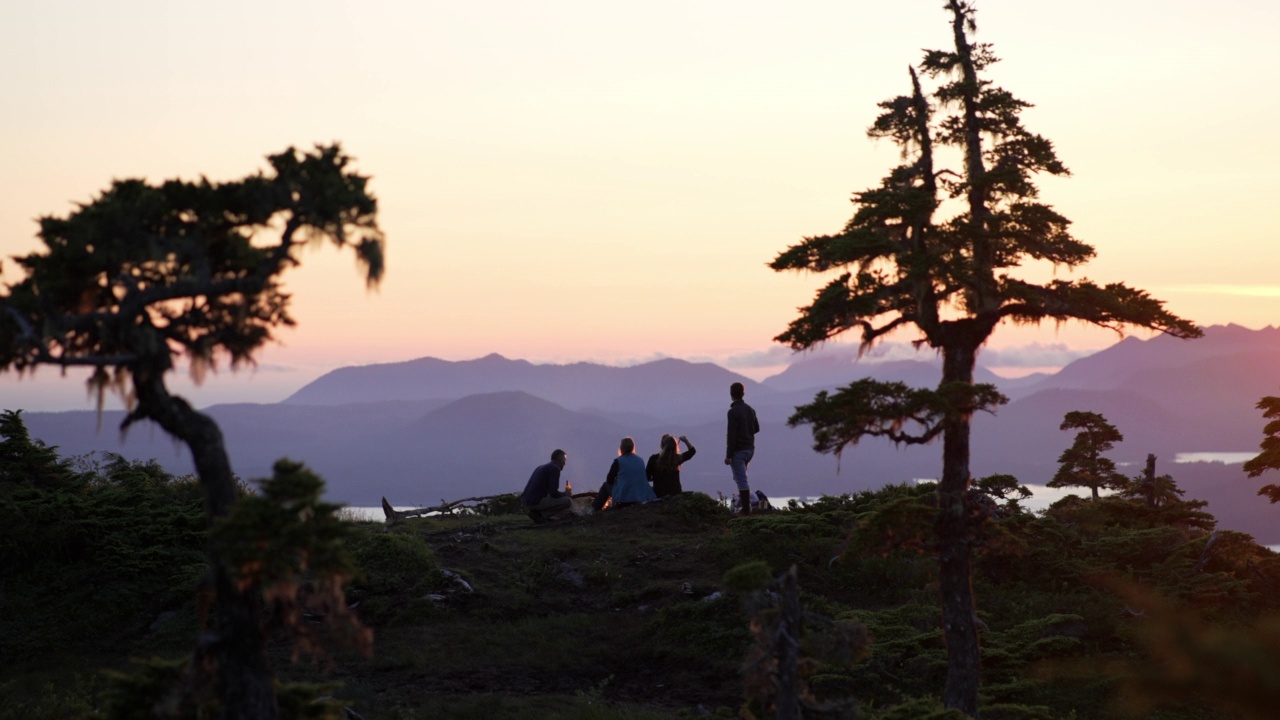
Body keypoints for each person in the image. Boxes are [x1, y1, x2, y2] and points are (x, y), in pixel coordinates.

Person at [725, 381, 760, 515]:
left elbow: (732, 435)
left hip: (738, 450)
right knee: (741, 477)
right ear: (743, 393)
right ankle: (746, 507)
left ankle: (746, 510)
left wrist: (728, 455)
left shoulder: (732, 412)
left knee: (741, 480)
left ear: (731, 394)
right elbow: (756, 428)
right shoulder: (750, 409)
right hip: (750, 449)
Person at [591, 436, 654, 511]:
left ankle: (594, 509)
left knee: (605, 486)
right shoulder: (640, 460)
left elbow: (609, 480)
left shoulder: (618, 461)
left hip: (624, 497)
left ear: (621, 448)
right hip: (641, 496)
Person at [520, 448, 571, 523]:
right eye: (564, 461)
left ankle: (536, 513)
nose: (564, 464)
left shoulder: (540, 467)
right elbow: (553, 493)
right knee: (568, 501)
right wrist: (565, 494)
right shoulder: (555, 468)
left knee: (553, 499)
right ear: (560, 460)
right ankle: (541, 515)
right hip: (535, 502)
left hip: (525, 501)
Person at [646, 433, 696, 498]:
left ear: (661, 445)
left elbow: (647, 477)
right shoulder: (677, 459)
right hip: (675, 494)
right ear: (675, 445)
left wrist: (654, 477)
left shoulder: (653, 459)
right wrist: (686, 441)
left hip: (659, 494)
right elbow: (692, 451)